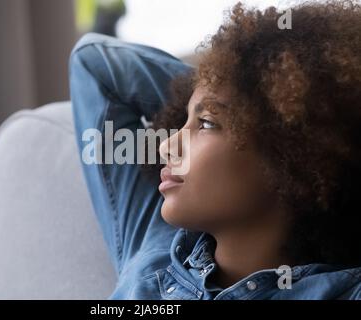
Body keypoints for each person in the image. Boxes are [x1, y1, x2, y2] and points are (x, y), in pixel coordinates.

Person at [69, 0, 361, 299]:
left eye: (206, 124)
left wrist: (288, 106)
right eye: (182, 121)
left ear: (292, 153)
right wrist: (235, 80)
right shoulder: (154, 244)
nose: (166, 146)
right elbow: (94, 63)